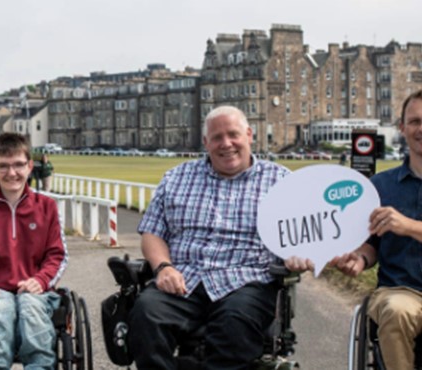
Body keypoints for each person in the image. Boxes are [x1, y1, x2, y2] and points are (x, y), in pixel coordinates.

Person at [129, 106, 310, 369]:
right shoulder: (176, 178)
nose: (226, 144)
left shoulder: (281, 182)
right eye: (216, 138)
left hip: (246, 280)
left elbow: (302, 236)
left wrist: (299, 255)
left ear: (249, 135)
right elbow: (152, 232)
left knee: (235, 324)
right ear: (206, 142)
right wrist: (164, 267)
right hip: (184, 278)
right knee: (146, 314)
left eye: (233, 134)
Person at [330, 90, 422, 370]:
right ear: (402, 128)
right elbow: (370, 243)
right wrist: (360, 259)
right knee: (395, 311)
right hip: (401, 290)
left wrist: (409, 227)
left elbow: (405, 228)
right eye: (415, 121)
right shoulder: (381, 186)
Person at [0, 133, 67, 369]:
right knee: (0, 309)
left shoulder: (47, 207)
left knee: (31, 308)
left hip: (36, 290)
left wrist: (41, 280)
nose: (12, 173)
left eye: (18, 165)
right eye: (4, 166)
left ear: (30, 166)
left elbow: (57, 255)